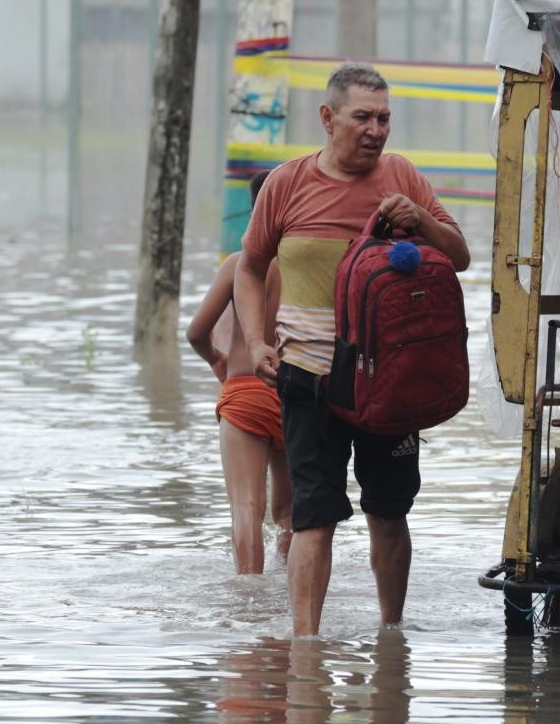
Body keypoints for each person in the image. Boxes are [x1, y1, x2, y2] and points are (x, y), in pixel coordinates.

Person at [235, 63, 469, 637]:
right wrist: (257, 341)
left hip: (390, 382)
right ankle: (305, 650)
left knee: (388, 513)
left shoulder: (404, 177)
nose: (375, 129)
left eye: (384, 118)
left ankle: (393, 638)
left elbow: (459, 256)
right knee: (314, 515)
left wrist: (421, 222)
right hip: (308, 376)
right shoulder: (287, 184)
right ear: (327, 118)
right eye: (362, 117)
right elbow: (249, 266)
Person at [188, 170, 291, 575]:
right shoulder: (306, 264)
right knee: (291, 515)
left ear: (253, 213)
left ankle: (249, 596)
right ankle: (291, 584)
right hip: (295, 393)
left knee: (247, 506)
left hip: (246, 392)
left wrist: (216, 358)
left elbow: (196, 331)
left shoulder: (238, 264)